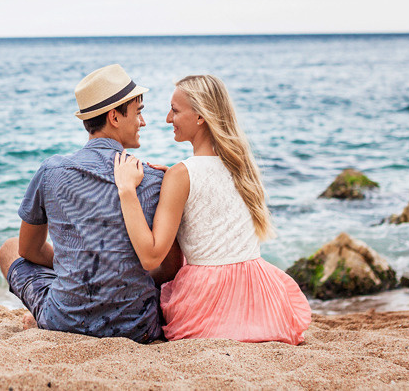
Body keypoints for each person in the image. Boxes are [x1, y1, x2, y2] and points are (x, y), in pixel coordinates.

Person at [114, 74, 311, 344]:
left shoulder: (182, 175)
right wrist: (178, 180)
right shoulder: (241, 165)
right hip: (261, 296)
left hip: (208, 301)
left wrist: (127, 192)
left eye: (175, 110)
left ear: (200, 117)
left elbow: (150, 257)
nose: (168, 119)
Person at [0, 64, 181, 342]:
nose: (142, 122)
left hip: (64, 322)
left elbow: (28, 250)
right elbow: (170, 267)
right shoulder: (154, 179)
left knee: (9, 249)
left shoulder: (51, 171)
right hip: (139, 327)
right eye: (138, 112)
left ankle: (45, 312)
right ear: (114, 117)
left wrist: (79, 265)